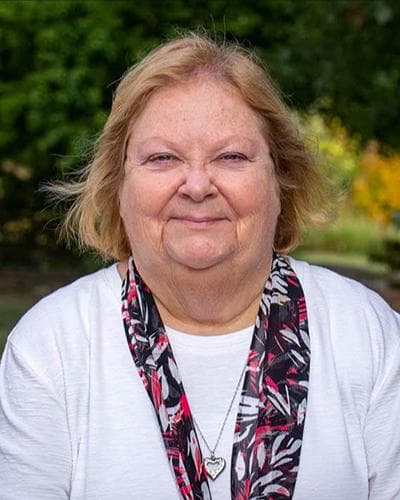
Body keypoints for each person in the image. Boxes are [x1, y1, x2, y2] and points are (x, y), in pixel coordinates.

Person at [0, 33, 399, 500]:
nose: (196, 185)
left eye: (231, 157)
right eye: (162, 158)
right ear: (118, 189)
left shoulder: (369, 335)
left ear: (281, 181)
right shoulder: (53, 346)